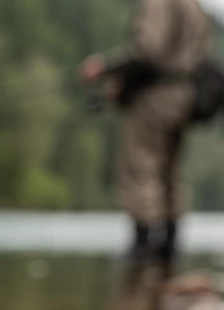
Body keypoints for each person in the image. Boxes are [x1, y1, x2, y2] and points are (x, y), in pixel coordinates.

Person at [81, 0, 212, 265]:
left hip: (156, 97)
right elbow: (200, 53)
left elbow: (148, 50)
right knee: (169, 170)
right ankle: (169, 247)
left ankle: (142, 246)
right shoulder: (195, 6)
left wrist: (106, 67)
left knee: (140, 165)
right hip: (186, 96)